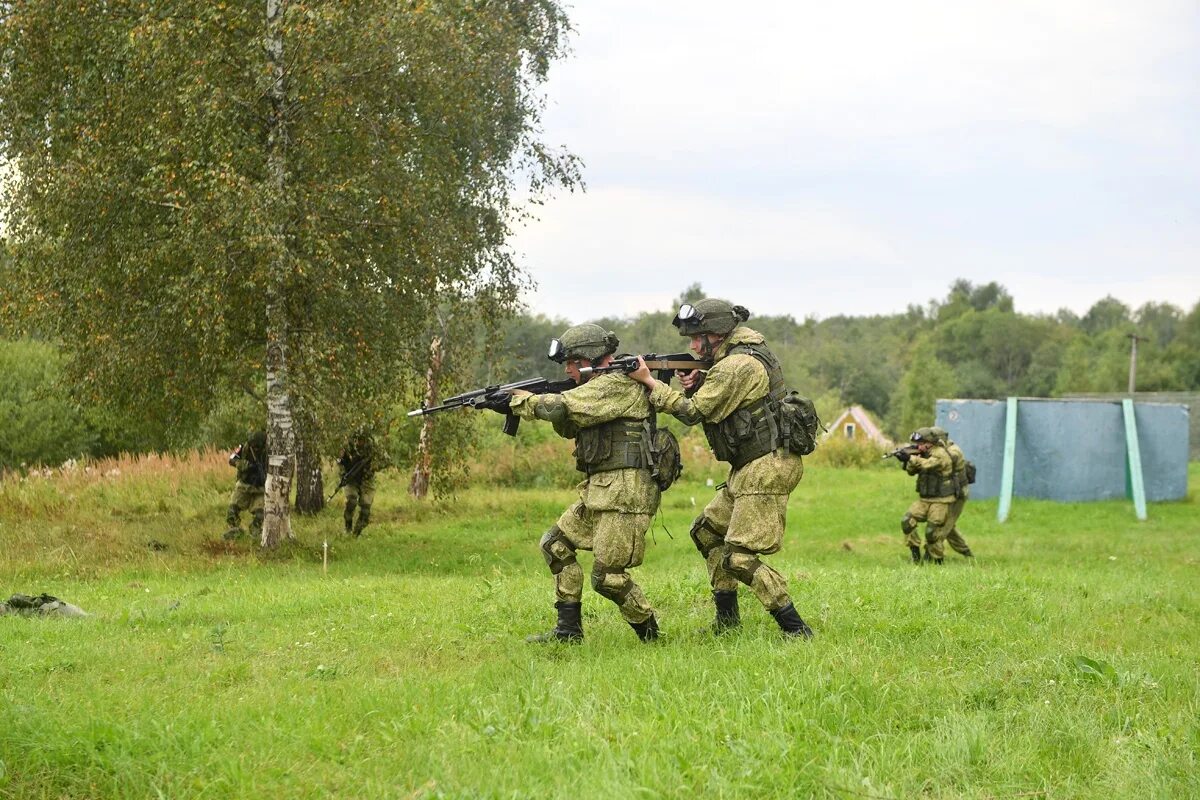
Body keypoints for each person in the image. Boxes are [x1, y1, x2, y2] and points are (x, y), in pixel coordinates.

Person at [629, 299, 814, 638]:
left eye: (698, 338)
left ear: (717, 334)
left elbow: (692, 411)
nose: (693, 346)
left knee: (740, 557)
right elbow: (726, 404)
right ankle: (727, 622)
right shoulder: (735, 357)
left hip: (766, 466)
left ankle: (796, 629)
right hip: (752, 464)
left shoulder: (737, 364)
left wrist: (651, 384)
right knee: (707, 531)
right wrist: (699, 381)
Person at [482, 323, 663, 644]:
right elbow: (568, 423)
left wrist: (518, 402)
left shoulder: (617, 383)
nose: (567, 370)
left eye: (571, 362)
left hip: (626, 493)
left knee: (608, 578)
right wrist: (524, 402)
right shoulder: (590, 389)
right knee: (555, 544)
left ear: (589, 358)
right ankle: (568, 631)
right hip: (601, 490)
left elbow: (559, 406)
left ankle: (653, 639)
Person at [895, 427, 959, 564]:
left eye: (921, 443)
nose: (918, 446)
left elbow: (930, 464)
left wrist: (911, 458)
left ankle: (937, 560)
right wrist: (906, 460)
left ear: (929, 442)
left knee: (932, 531)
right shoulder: (922, 453)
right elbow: (912, 472)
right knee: (907, 521)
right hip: (924, 499)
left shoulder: (941, 453)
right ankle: (915, 555)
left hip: (941, 500)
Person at [929, 426, 974, 559]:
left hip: (958, 494)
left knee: (943, 525)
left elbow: (947, 460)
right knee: (949, 527)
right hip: (946, 493)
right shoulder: (938, 451)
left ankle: (931, 554)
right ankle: (966, 552)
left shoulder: (954, 450)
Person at [224, 430, 267, 540]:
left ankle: (255, 532)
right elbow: (231, 459)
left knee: (260, 514)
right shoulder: (243, 447)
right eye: (254, 445)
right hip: (244, 485)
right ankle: (233, 531)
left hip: (260, 488)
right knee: (232, 510)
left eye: (258, 446)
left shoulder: (268, 451)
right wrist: (244, 465)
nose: (256, 448)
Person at [337, 428, 377, 536]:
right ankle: (348, 527)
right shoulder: (348, 447)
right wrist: (344, 476)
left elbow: (383, 460)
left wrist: (370, 467)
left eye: (362, 440)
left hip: (367, 480)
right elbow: (341, 464)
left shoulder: (372, 446)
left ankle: (356, 534)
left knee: (365, 507)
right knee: (352, 501)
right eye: (358, 439)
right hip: (351, 479)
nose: (360, 442)